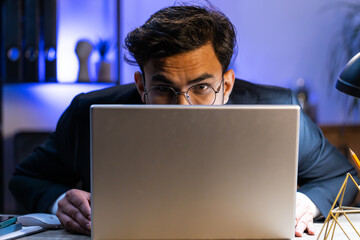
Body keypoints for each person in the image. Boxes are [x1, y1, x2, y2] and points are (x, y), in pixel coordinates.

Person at [9, 2, 359, 237]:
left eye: (202, 87)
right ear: (141, 84)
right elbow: (25, 177)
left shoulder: (281, 108)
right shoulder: (87, 111)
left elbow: (345, 174)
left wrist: (305, 201)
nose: (183, 106)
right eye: (163, 88)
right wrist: (60, 201)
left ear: (227, 83)